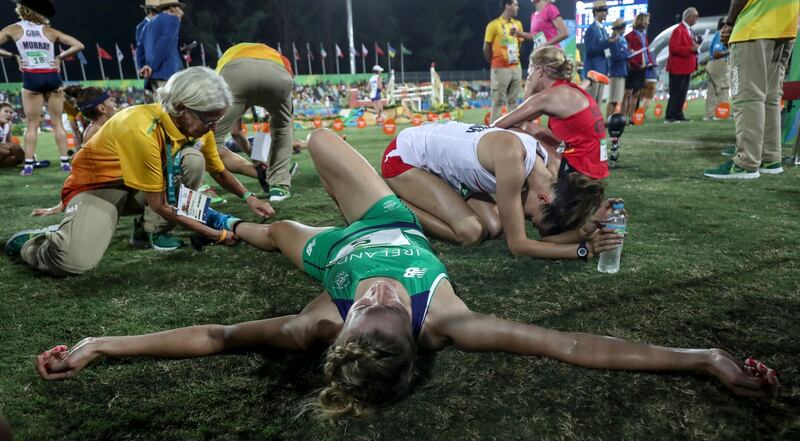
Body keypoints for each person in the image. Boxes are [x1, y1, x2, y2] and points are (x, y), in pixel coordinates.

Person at [35, 128, 780, 421]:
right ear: (415, 335)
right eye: (391, 308)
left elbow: (218, 333)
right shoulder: (448, 322)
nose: (385, 297)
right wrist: (704, 359)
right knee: (326, 143)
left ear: (345, 326)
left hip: (331, 253)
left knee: (277, 232)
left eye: (373, 310)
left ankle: (225, 222)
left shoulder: (316, 320)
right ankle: (229, 221)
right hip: (387, 219)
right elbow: (574, 345)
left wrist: (105, 341)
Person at [4, 67, 274, 275]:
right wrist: (215, 233)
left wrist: (248, 197)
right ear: (181, 108)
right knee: (73, 262)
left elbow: (219, 170)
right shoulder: (140, 127)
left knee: (193, 160)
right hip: (100, 188)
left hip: (142, 186)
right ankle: (34, 243)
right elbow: (161, 204)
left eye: (218, 120)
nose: (213, 128)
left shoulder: (194, 125)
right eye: (209, 119)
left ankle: (148, 233)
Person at [381, 117, 610, 261]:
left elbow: (521, 239)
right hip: (404, 159)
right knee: (470, 233)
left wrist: (582, 232)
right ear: (544, 198)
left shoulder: (542, 163)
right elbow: (518, 245)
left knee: (494, 226)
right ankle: (388, 198)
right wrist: (583, 249)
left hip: (440, 169)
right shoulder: (513, 160)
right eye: (532, 217)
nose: (525, 216)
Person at [703, 0, 798, 179]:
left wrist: (730, 22)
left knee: (748, 95)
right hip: (787, 26)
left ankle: (746, 163)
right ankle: (770, 158)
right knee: (770, 97)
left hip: (755, 25)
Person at [494, 46, 609, 180]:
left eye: (530, 68)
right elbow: (527, 118)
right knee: (531, 128)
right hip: (596, 166)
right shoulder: (567, 89)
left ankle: (533, 187)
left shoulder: (547, 97)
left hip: (580, 170)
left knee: (519, 131)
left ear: (539, 70)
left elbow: (498, 125)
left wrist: (529, 87)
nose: (528, 74)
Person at [0, 0, 84, 176]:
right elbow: (79, 45)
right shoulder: (49, 31)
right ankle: (65, 163)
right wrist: (60, 57)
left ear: (21, 11)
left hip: (31, 77)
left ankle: (28, 165)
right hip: (52, 76)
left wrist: (12, 56)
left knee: (32, 125)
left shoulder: (14, 29)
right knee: (58, 123)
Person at [213, 43, 297, 202]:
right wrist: (256, 158)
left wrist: (255, 158)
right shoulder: (273, 53)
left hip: (234, 74)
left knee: (209, 141)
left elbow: (236, 132)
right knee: (283, 129)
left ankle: (196, 189)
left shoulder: (229, 54)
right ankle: (279, 187)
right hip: (277, 73)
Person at [30, 87, 119, 217]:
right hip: (112, 185)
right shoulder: (95, 132)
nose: (116, 105)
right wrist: (61, 204)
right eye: (112, 102)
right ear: (102, 108)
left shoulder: (110, 124)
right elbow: (83, 170)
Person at [483, 0, 524, 122]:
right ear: (507, 6)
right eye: (515, 5)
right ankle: (492, 132)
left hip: (516, 68)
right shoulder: (493, 25)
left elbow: (519, 44)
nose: (518, 7)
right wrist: (493, 62)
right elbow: (486, 48)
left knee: (514, 102)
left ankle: (514, 132)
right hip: (500, 68)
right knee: (498, 102)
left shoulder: (518, 24)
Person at [665, 8, 700, 123]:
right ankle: (670, 116)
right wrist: (691, 48)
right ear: (689, 17)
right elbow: (673, 48)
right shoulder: (678, 30)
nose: (697, 18)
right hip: (677, 67)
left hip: (685, 66)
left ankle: (679, 114)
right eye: (696, 16)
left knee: (682, 92)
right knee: (675, 92)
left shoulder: (688, 30)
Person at [140, 0, 185, 91]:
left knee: (159, 104)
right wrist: (152, 66)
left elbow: (140, 49)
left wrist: (144, 67)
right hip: (167, 74)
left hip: (152, 76)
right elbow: (164, 45)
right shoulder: (172, 20)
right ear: (173, 8)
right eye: (178, 7)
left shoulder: (148, 24)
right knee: (171, 104)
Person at [582, 0, 617, 105]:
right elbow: (590, 50)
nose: (606, 13)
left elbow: (606, 50)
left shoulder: (603, 30)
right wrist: (607, 42)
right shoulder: (591, 30)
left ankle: (597, 121)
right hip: (594, 70)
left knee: (598, 100)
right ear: (596, 12)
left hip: (602, 69)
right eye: (603, 10)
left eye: (606, 10)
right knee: (592, 100)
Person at [622, 13, 653, 120]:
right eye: (646, 21)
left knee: (636, 94)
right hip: (633, 68)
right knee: (628, 94)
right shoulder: (630, 36)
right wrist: (636, 64)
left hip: (642, 68)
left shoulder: (644, 35)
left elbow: (646, 50)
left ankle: (632, 117)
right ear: (641, 21)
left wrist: (650, 62)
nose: (648, 23)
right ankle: (623, 116)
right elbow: (628, 54)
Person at [704, 18, 731, 121]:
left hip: (713, 65)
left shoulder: (716, 34)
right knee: (723, 88)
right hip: (719, 63)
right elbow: (716, 53)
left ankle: (709, 114)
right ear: (724, 25)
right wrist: (730, 51)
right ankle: (722, 114)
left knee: (712, 89)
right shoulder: (721, 34)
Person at [607, 18, 631, 117]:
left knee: (616, 99)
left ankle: (610, 119)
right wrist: (628, 53)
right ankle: (608, 120)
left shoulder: (620, 39)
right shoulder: (613, 39)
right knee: (613, 99)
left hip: (620, 71)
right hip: (616, 72)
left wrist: (626, 53)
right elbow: (617, 55)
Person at [135, 0, 159, 96]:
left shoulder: (153, 25)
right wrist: (143, 68)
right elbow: (141, 50)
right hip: (153, 72)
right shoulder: (142, 26)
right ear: (152, 12)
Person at [0, 102, 24, 169]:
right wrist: (7, 152)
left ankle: (28, 160)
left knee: (15, 159)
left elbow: (10, 143)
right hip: (3, 151)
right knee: (15, 147)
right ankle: (29, 162)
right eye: (6, 111)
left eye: (11, 113)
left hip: (3, 154)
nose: (9, 114)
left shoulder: (9, 125)